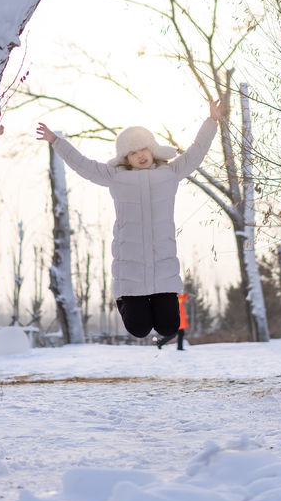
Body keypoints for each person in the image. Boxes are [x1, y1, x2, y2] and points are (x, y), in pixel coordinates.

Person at [36, 101, 223, 340]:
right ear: (126, 157)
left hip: (163, 267)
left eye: (143, 149)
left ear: (152, 149)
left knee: (169, 327)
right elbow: (83, 164)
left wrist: (211, 122)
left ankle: (160, 311)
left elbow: (197, 151)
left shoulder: (170, 173)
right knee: (138, 328)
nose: (139, 156)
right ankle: (123, 300)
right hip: (130, 269)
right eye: (133, 153)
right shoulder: (116, 177)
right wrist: (56, 141)